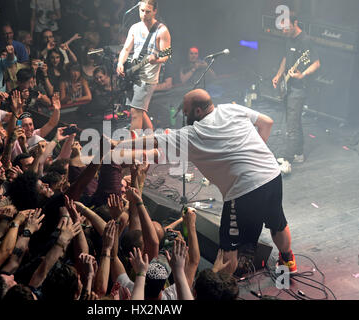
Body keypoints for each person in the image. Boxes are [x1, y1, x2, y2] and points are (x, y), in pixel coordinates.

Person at [112, 88, 298, 275]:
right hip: (271, 174)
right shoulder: (230, 109)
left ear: (197, 111)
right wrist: (253, 155)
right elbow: (267, 122)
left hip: (242, 189)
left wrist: (119, 144)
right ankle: (288, 260)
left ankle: (222, 289)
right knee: (277, 222)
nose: (185, 117)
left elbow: (152, 141)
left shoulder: (192, 134)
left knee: (228, 246)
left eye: (186, 113)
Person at [272, 13, 320, 175]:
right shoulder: (289, 39)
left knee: (291, 125)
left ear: (295, 23)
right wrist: (279, 75)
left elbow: (316, 63)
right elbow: (286, 58)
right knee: (294, 121)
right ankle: (298, 153)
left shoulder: (306, 40)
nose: (283, 31)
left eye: (286, 27)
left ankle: (287, 160)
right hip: (288, 85)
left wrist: (302, 74)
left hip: (300, 88)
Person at [116, 0, 171, 131]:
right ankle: (150, 139)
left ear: (155, 11)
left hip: (147, 78)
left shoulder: (162, 30)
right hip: (133, 73)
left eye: (148, 11)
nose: (144, 14)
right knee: (140, 111)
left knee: (135, 113)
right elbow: (126, 49)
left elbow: (166, 54)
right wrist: (120, 63)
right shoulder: (135, 27)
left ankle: (134, 145)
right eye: (142, 11)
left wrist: (156, 60)